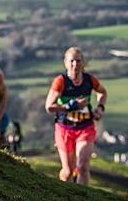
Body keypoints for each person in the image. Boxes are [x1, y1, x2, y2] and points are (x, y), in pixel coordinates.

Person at [45, 47, 108, 186]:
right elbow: (49, 106)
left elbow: (102, 92)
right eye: (72, 61)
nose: (75, 64)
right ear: (66, 62)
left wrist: (100, 109)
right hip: (64, 128)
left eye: (78, 61)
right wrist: (70, 106)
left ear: (83, 63)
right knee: (68, 170)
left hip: (85, 127)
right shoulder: (61, 81)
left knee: (83, 167)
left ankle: (82, 196)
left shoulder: (89, 80)